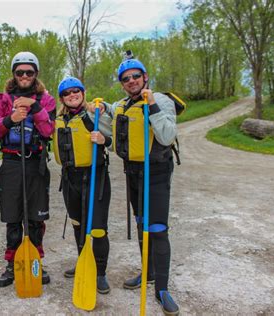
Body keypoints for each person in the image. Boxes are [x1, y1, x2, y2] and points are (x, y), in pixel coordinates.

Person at [95, 56, 179, 315]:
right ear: (122, 84)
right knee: (142, 223)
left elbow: (166, 135)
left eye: (135, 76)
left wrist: (152, 104)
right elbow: (113, 111)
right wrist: (95, 105)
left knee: (157, 228)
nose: (131, 81)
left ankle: (162, 289)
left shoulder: (162, 101)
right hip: (132, 173)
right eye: (126, 78)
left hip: (155, 172)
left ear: (145, 77)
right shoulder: (122, 104)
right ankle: (149, 273)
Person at [0, 51, 56, 287]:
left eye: (29, 72)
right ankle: (11, 264)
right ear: (14, 74)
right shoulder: (2, 100)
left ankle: (36, 261)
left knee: (35, 217)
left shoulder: (46, 100)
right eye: (20, 72)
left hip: (36, 162)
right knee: (13, 217)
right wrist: (11, 118)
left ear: (36, 74)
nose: (24, 76)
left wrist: (35, 107)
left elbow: (48, 131)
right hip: (12, 162)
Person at [53, 77, 113, 294]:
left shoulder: (94, 115)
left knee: (97, 228)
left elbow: (114, 141)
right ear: (62, 98)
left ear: (83, 92)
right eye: (67, 93)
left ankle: (100, 273)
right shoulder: (58, 119)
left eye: (76, 91)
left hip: (95, 177)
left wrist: (104, 140)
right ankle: (83, 262)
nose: (72, 95)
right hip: (70, 179)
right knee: (78, 224)